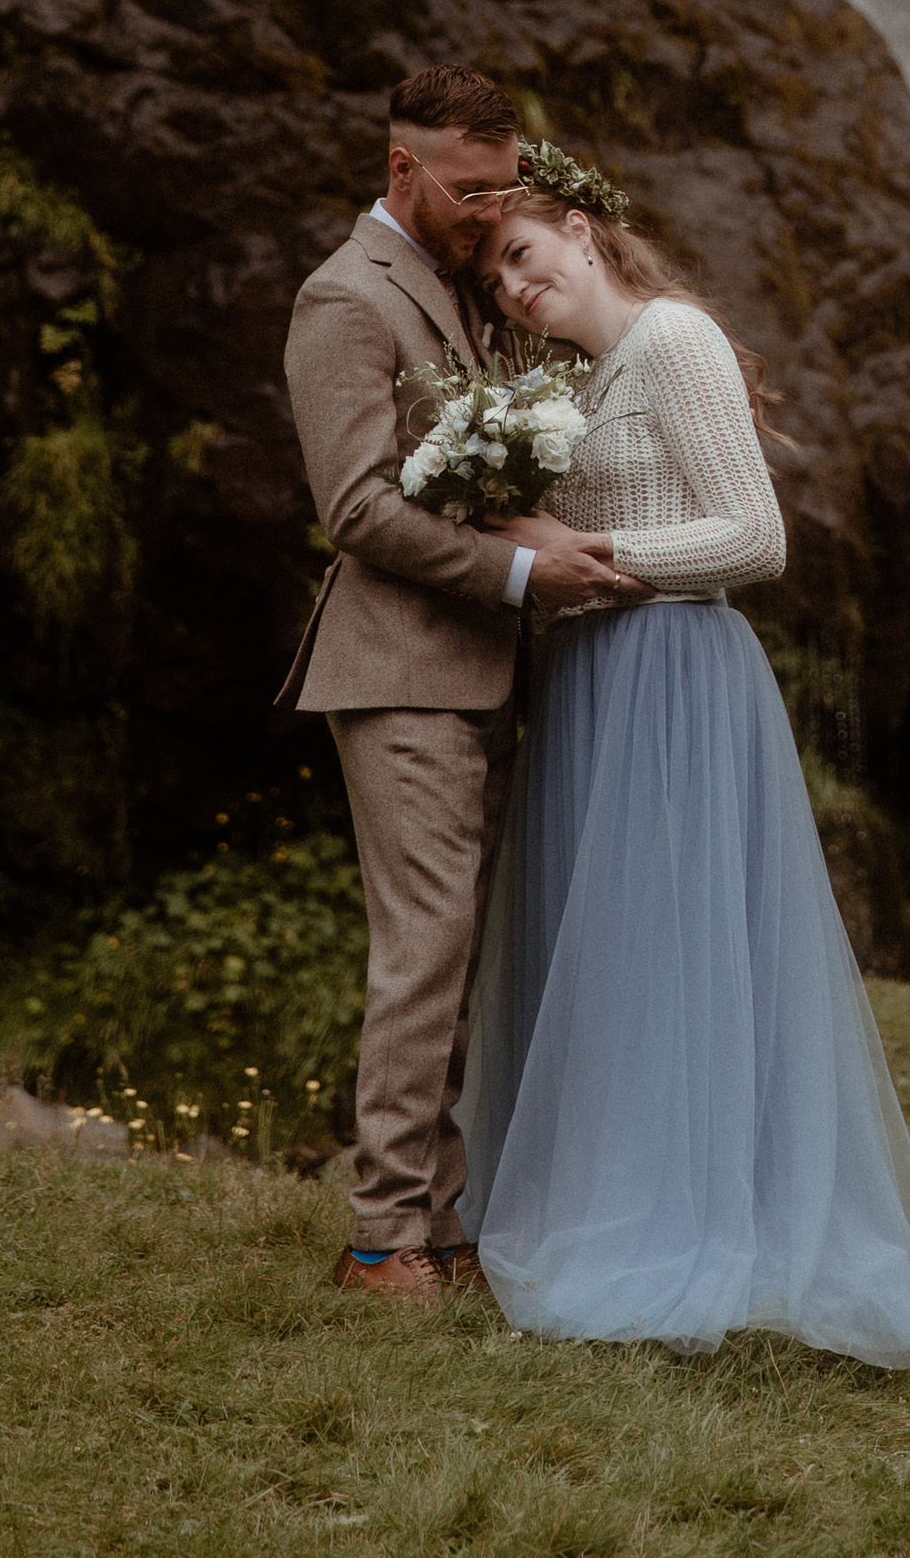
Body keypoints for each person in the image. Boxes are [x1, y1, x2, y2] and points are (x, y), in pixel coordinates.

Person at [456, 163, 910, 1369]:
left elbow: (754, 536)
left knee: (678, 946)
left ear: (580, 234)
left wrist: (590, 552)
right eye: (497, 280)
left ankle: (694, 1223)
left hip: (677, 675)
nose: (517, 287)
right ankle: (611, 1194)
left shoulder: (675, 337)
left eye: (526, 256)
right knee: (617, 953)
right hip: (594, 682)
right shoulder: (573, 384)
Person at [280, 66, 637, 1304]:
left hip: (484, 671)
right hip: (402, 671)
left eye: (508, 186)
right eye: (473, 189)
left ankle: (442, 1229)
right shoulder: (343, 298)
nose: (495, 212)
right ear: (402, 171)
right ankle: (384, 1244)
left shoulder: (462, 281)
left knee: (465, 950)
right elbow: (357, 508)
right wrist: (516, 575)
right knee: (425, 947)